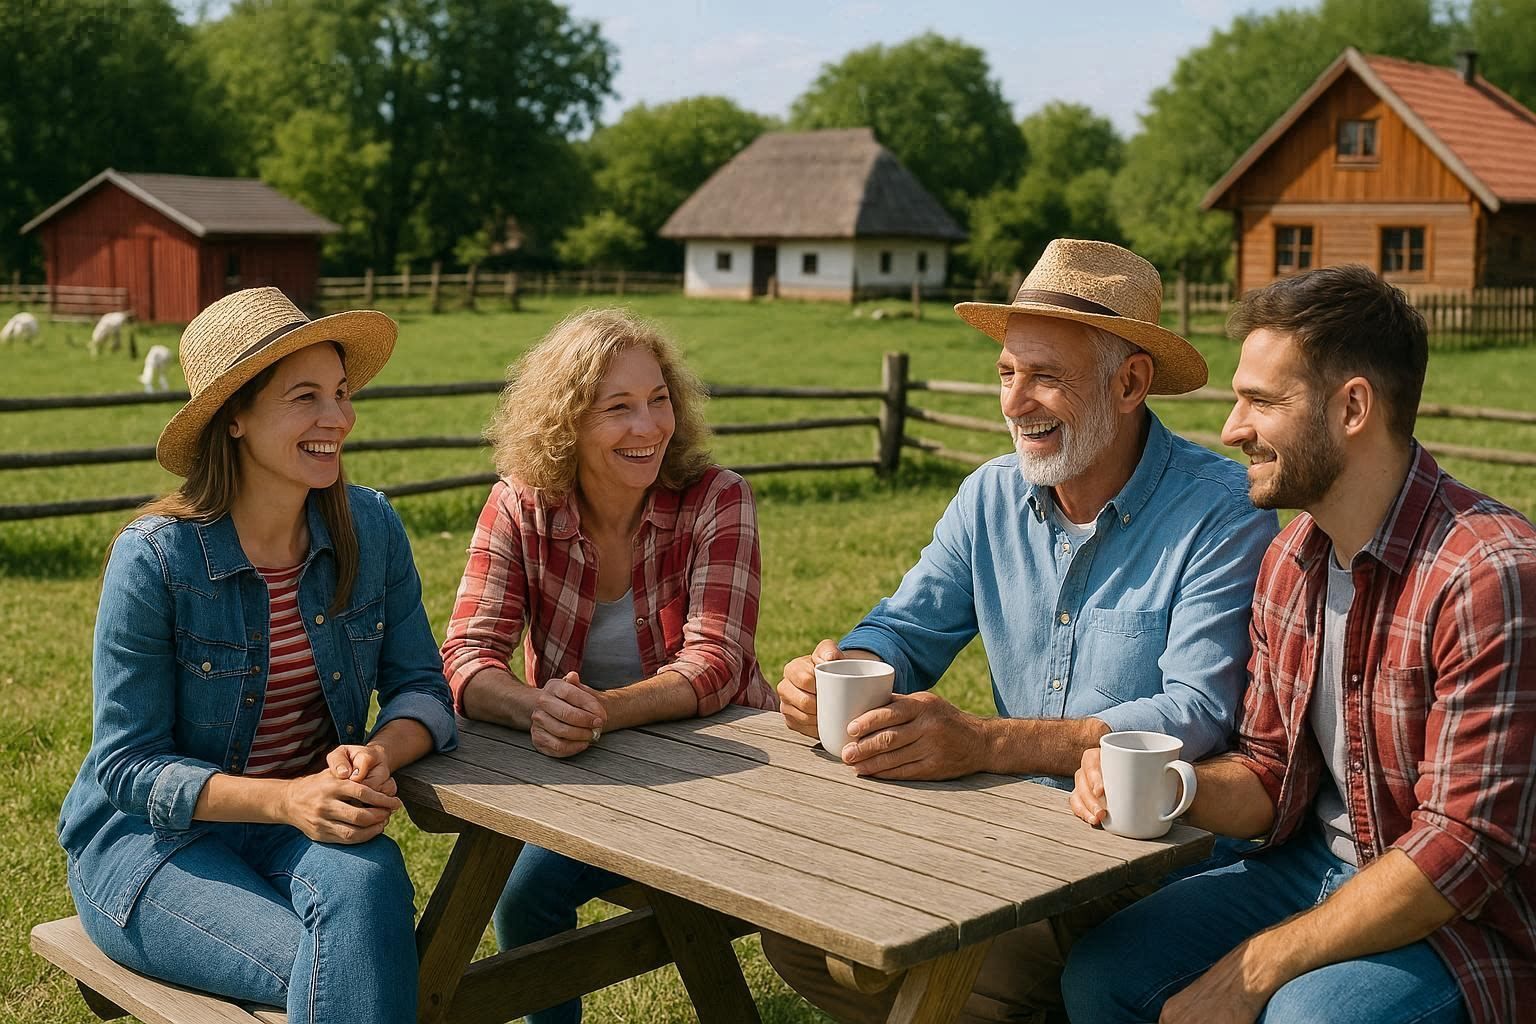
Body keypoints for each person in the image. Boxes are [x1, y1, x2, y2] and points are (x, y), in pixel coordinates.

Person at [766, 239, 1278, 1024]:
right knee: (799, 931)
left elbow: (1196, 712)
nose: (1014, 401)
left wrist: (990, 744)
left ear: (1132, 382)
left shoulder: (1221, 513)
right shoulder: (989, 498)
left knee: (934, 971)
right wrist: (841, 672)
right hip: (1009, 841)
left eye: (1046, 377)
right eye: (1008, 373)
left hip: (1144, 859)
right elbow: (904, 628)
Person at [1062, 264, 1536, 1024]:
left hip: (1463, 921)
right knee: (1102, 976)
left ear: (1352, 407)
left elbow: (1463, 849)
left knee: (1306, 1018)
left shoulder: (1489, 575)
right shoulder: (1291, 563)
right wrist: (1169, 785)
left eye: (1260, 401)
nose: (1230, 429)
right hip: (1310, 869)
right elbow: (1273, 771)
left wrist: (1254, 967)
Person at [57, 287, 458, 1024]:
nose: (336, 418)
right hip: (153, 847)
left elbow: (425, 690)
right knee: (357, 974)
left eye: (340, 393)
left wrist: (376, 755)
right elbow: (126, 768)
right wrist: (288, 799)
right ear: (233, 417)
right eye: (304, 397)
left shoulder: (371, 528)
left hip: (303, 826)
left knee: (368, 894)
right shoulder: (154, 559)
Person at [439, 307, 777, 1024]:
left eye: (659, 401)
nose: (649, 426)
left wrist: (601, 710)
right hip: (595, 766)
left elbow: (717, 663)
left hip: (728, 767)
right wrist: (535, 707)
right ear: (566, 421)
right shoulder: (520, 505)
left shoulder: (718, 497)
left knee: (540, 891)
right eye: (617, 408)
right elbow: (466, 655)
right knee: (526, 895)